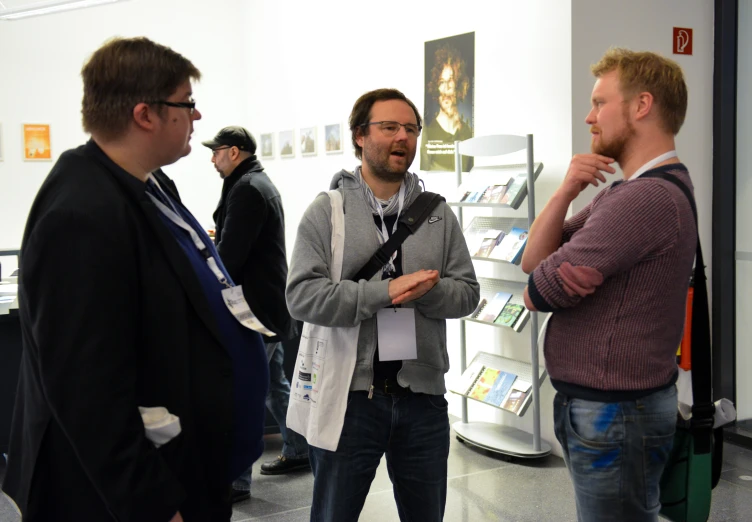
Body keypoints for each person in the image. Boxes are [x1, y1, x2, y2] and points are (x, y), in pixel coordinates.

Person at [1, 37, 269, 522]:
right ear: (145, 115)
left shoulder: (144, 184)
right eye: (187, 103)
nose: (197, 116)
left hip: (184, 464)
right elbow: (87, 393)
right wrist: (153, 504)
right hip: (134, 495)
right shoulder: (81, 212)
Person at [286, 88, 480, 522]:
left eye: (411, 129)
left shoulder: (437, 214)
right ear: (359, 135)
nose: (403, 138)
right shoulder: (327, 212)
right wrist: (385, 293)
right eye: (389, 127)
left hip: (423, 400)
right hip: (349, 399)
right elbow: (301, 296)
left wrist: (425, 291)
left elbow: (468, 293)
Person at [521, 48, 697, 521]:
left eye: (601, 103)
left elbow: (539, 291)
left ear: (641, 106)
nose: (589, 116)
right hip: (611, 410)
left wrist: (553, 268)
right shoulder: (625, 193)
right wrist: (564, 191)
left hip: (617, 414)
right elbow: (532, 261)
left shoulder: (644, 200)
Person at [203, 126, 309, 503]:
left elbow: (232, 257)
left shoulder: (247, 188)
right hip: (269, 305)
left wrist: (210, 252)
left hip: (252, 309)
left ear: (233, 152)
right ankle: (298, 449)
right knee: (273, 385)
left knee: (242, 391)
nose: (211, 159)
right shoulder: (257, 182)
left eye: (215, 152)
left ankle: (237, 481)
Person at [419, 44, 474, 172]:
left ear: (459, 84)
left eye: (451, 80)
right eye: (441, 82)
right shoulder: (428, 131)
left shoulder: (468, 132)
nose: (446, 88)